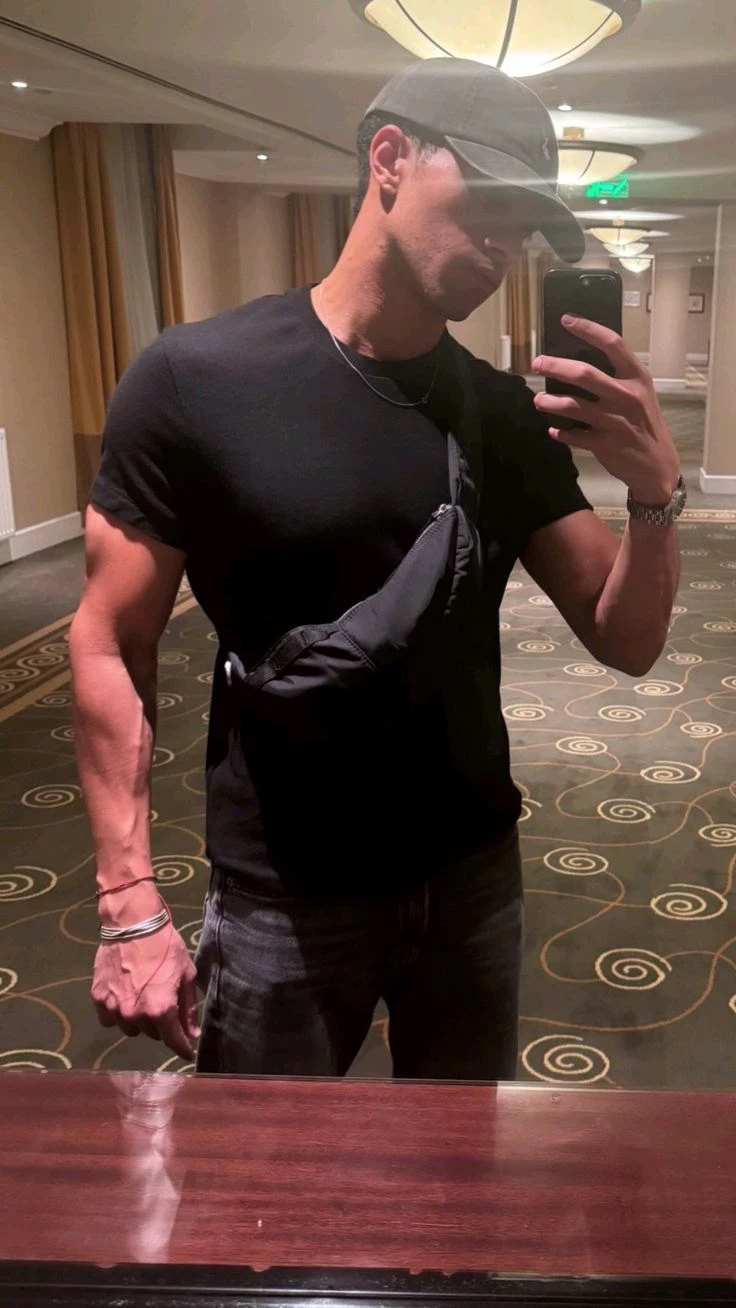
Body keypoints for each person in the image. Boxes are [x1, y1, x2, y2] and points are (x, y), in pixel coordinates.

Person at [70, 58, 684, 1080]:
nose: (505, 243)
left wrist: (654, 497)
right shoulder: (195, 379)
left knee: (462, 1166)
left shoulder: (503, 415)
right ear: (389, 159)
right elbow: (108, 640)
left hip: (471, 871)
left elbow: (626, 640)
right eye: (488, 200)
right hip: (281, 888)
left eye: (526, 224)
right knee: (261, 1170)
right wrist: (128, 898)